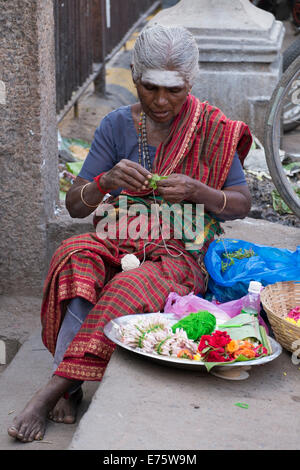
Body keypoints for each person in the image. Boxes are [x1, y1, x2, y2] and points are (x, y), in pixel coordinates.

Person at [8, 24, 252, 443]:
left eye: (173, 90)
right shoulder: (118, 125)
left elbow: (243, 203)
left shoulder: (210, 127)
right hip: (119, 236)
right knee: (75, 256)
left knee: (129, 285)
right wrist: (105, 181)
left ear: (190, 83)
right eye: (149, 87)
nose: (160, 100)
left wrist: (199, 191)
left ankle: (52, 390)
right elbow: (75, 205)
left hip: (181, 251)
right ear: (135, 78)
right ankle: (73, 381)